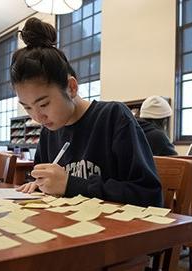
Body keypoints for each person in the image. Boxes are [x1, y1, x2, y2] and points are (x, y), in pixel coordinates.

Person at [11, 17, 162, 207]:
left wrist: (71, 185)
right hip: (67, 230)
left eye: (43, 104)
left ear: (71, 87)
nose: (37, 117)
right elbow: (50, 186)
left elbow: (149, 195)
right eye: (27, 107)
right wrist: (40, 185)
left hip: (115, 232)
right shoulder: (48, 132)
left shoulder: (113, 118)